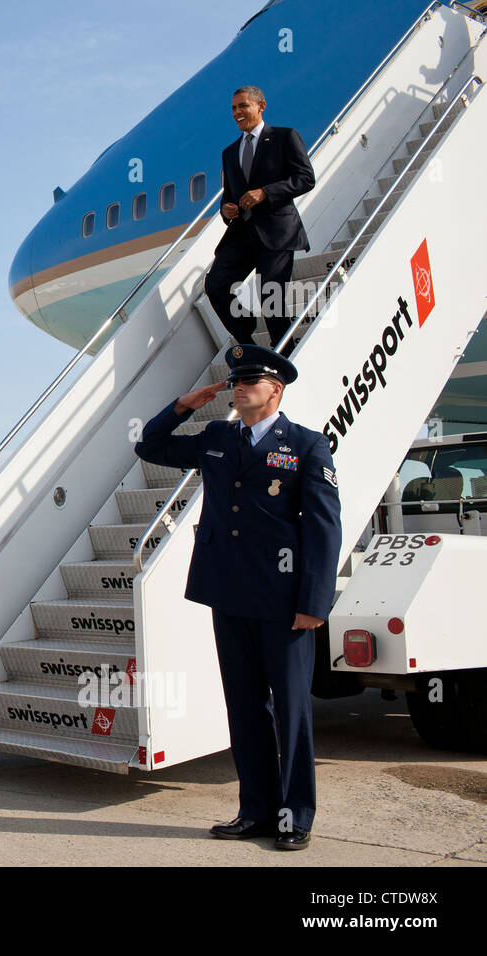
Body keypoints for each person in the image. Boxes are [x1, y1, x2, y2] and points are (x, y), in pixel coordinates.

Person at [134, 344, 342, 850]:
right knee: (244, 708)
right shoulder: (216, 437)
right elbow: (149, 446)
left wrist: (314, 603)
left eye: (252, 379)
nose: (240, 386)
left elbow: (323, 529)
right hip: (228, 594)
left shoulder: (308, 446)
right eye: (236, 380)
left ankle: (295, 816)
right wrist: (184, 404)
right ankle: (255, 811)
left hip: (282, 599)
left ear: (277, 389)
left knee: (291, 710)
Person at [203, 86, 315, 348]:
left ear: (261, 106)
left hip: (277, 231)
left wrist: (266, 193)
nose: (237, 112)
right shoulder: (229, 152)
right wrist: (226, 208)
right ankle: (246, 338)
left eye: (243, 106)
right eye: (233, 108)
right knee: (216, 284)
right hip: (242, 233)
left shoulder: (284, 137)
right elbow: (229, 195)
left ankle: (284, 355)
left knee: (271, 295)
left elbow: (305, 179)